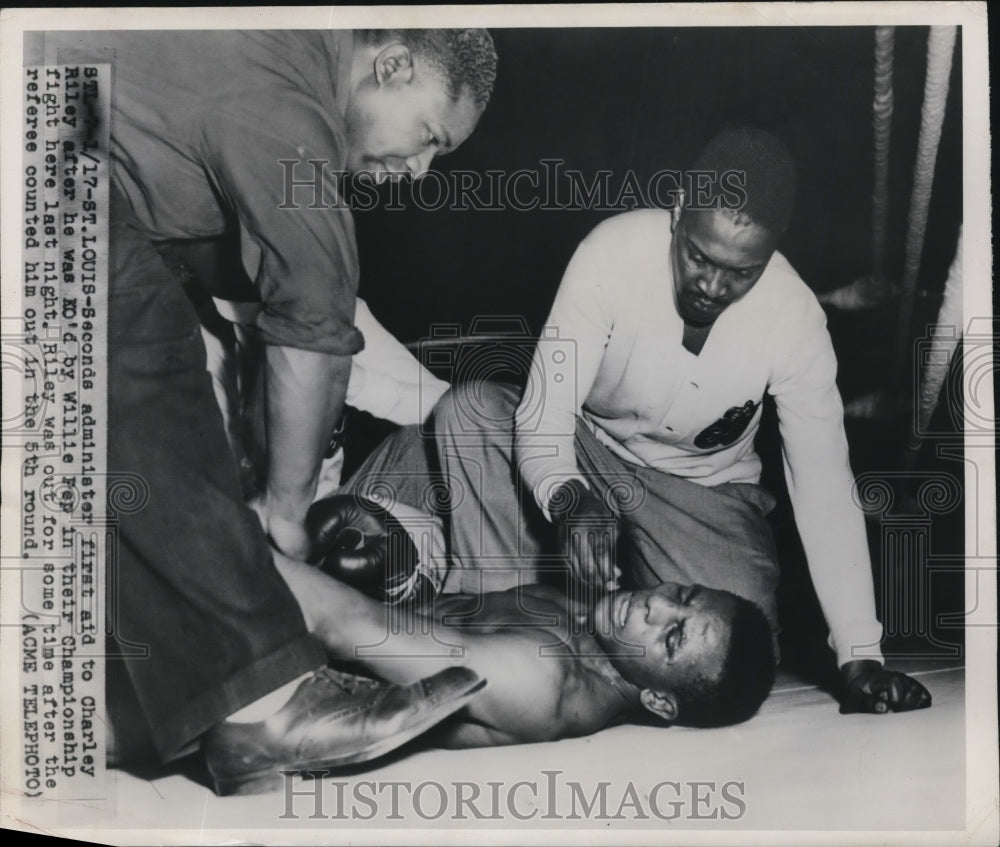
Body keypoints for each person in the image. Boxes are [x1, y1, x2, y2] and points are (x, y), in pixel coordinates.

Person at [26, 28, 499, 794]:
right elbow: (316, 308)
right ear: (393, 65)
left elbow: (307, 331)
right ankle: (259, 701)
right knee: (136, 339)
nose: (420, 171)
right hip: (41, 115)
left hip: (61, 124)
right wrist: (285, 512)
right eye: (429, 138)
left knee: (137, 338)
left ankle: (222, 696)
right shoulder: (287, 96)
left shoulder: (265, 66)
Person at [431, 128, 932, 715]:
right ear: (678, 209)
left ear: (773, 250)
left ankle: (590, 651)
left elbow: (823, 484)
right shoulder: (611, 252)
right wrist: (567, 495)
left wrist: (859, 652)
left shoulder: (796, 320)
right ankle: (475, 632)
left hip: (707, 491)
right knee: (469, 412)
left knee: (734, 659)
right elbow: (546, 410)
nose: (713, 286)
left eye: (742, 272)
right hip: (586, 450)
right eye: (699, 256)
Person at [275, 503, 777, 749]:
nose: (654, 607)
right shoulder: (581, 617)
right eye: (681, 597)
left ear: (659, 701)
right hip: (294, 627)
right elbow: (437, 617)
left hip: (266, 673)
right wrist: (400, 583)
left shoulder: (545, 682)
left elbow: (343, 625)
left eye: (671, 637)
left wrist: (233, 541)